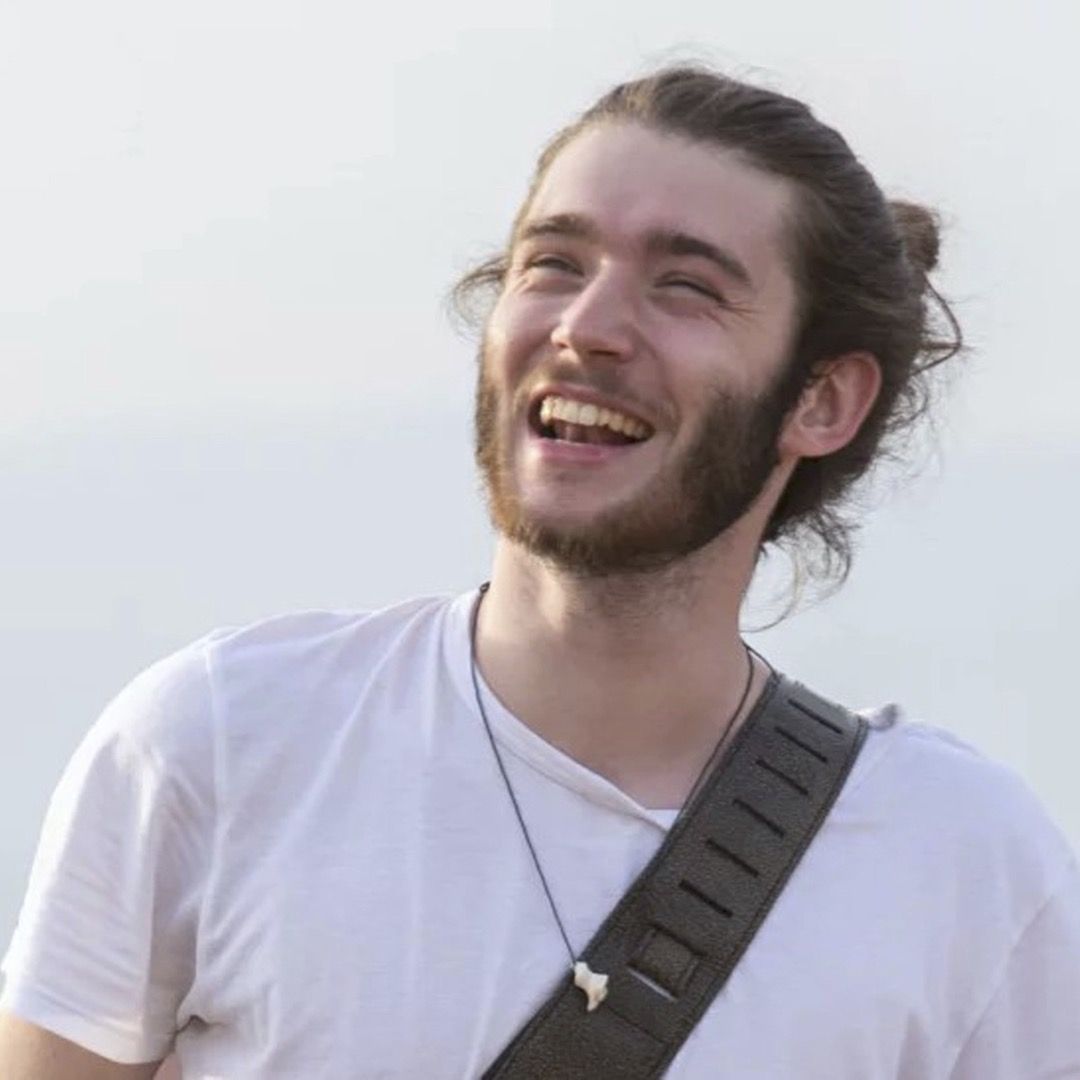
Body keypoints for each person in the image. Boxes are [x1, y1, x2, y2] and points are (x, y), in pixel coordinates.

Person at [1, 64, 1078, 1080]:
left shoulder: (961, 862)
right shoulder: (222, 745)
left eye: (686, 287)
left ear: (822, 399)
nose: (585, 327)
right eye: (553, 263)